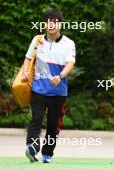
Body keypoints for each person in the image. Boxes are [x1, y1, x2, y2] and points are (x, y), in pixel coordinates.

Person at [22, 9, 76, 163]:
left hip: (59, 92)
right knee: (36, 119)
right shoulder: (37, 40)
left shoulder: (69, 43)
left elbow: (70, 63)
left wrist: (60, 76)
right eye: (47, 21)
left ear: (61, 24)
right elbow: (27, 58)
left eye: (54, 21)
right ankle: (32, 147)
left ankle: (47, 153)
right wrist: (26, 71)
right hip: (38, 89)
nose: (51, 24)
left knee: (53, 125)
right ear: (44, 24)